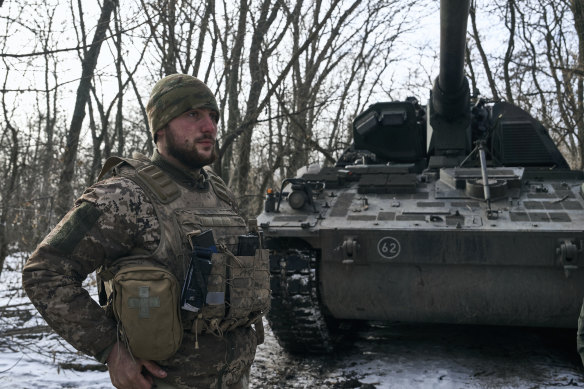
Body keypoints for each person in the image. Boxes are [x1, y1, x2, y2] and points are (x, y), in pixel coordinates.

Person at [22, 74, 269, 389]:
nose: (209, 126)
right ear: (161, 127)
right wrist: (110, 349)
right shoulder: (124, 194)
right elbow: (44, 272)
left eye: (213, 116)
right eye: (193, 114)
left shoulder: (219, 193)